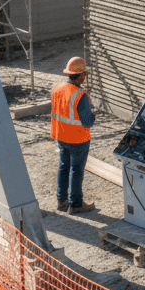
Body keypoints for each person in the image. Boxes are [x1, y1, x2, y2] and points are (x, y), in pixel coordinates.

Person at [51, 56, 96, 213]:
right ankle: (76, 204)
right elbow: (88, 122)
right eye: (85, 74)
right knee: (76, 170)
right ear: (82, 75)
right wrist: (93, 111)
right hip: (78, 139)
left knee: (64, 166)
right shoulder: (80, 94)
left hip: (61, 135)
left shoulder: (57, 88)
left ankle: (61, 201)